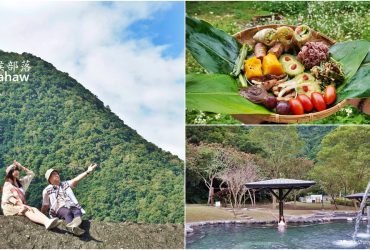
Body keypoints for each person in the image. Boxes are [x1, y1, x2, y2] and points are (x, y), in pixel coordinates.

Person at [1, 160, 61, 230]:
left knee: (34, 209)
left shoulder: (20, 183)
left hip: (19, 205)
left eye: (17, 170)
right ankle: (46, 223)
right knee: (26, 210)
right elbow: (10, 199)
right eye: (14, 171)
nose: (16, 172)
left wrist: (21, 167)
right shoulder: (7, 185)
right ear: (10, 173)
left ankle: (48, 221)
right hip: (9, 207)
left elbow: (31, 174)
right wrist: (23, 205)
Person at [41, 164, 97, 235]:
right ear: (49, 179)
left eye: (57, 174)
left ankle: (75, 227)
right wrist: (41, 215)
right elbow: (45, 205)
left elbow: (76, 179)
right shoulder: (47, 190)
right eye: (54, 174)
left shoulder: (65, 184)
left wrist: (88, 171)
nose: (57, 175)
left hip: (71, 205)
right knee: (67, 212)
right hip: (59, 208)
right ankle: (72, 227)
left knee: (77, 211)